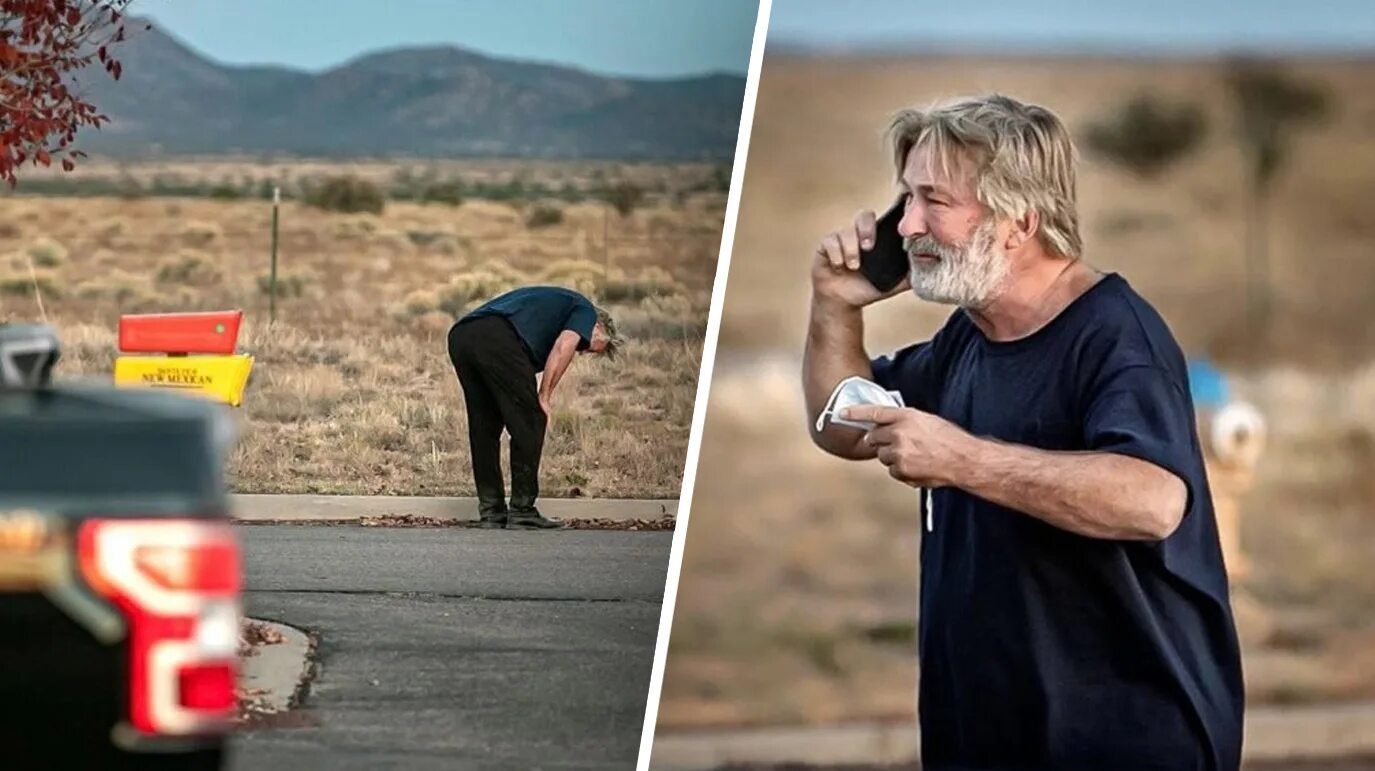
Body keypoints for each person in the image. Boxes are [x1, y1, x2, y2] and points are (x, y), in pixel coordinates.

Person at [804, 94, 1243, 770]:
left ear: (1019, 221)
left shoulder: (1115, 337)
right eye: (905, 199)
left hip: (1119, 739)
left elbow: (1154, 500)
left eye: (933, 201)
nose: (907, 224)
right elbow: (842, 424)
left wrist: (963, 460)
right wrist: (833, 304)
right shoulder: (968, 337)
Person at [447, 285, 622, 530]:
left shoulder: (555, 308)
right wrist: (544, 397)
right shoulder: (585, 311)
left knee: (484, 427)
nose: (581, 351)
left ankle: (492, 512)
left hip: (461, 335)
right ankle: (522, 511)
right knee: (531, 420)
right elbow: (564, 346)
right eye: (586, 347)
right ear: (598, 327)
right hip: (496, 336)